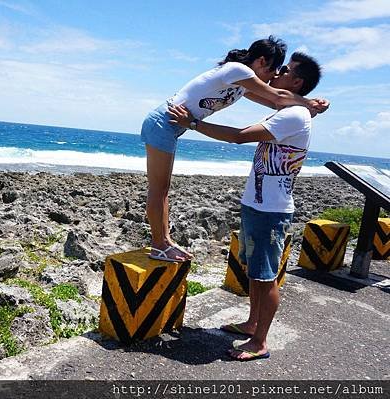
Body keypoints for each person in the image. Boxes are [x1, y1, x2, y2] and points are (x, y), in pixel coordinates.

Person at [167, 51, 323, 361]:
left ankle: (260, 342)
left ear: (296, 81)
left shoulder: (294, 115)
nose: (277, 73)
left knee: (266, 277)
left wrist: (193, 123)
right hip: (258, 204)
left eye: (285, 70)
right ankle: (252, 323)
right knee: (255, 272)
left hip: (272, 210)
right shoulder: (289, 109)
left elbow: (239, 137)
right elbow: (253, 92)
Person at [141, 36, 328, 263]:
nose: (274, 76)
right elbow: (278, 96)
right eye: (275, 69)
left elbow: (275, 103)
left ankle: (164, 241)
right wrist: (308, 103)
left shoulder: (241, 85)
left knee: (163, 189)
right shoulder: (237, 70)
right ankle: (158, 245)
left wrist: (311, 105)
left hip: (171, 127)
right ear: (261, 61)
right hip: (163, 122)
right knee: (158, 189)